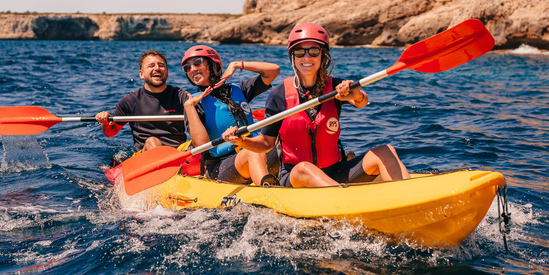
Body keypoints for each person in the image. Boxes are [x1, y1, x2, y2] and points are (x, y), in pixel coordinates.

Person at [222, 23, 410, 188]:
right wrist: (241, 141)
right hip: (295, 177)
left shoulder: (337, 86)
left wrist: (354, 92)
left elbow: (362, 101)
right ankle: (346, 204)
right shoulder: (279, 94)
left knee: (386, 151)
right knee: (305, 168)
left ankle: (409, 200)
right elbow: (265, 144)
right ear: (292, 57)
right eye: (299, 52)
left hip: (334, 171)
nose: (307, 57)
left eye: (313, 51)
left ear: (323, 55)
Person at [181, 45, 280, 186]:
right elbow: (201, 145)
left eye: (197, 63)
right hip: (220, 166)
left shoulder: (239, 89)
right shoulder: (194, 104)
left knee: (282, 140)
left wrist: (237, 64)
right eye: (187, 68)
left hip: (254, 150)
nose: (192, 69)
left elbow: (273, 71)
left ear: (214, 65)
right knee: (251, 152)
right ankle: (268, 192)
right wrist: (189, 107)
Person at [96, 50, 189, 166]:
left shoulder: (181, 96)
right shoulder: (130, 101)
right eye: (151, 66)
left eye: (161, 65)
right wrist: (105, 121)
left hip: (177, 152)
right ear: (141, 74)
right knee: (153, 142)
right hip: (146, 154)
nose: (157, 68)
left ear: (167, 72)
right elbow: (111, 132)